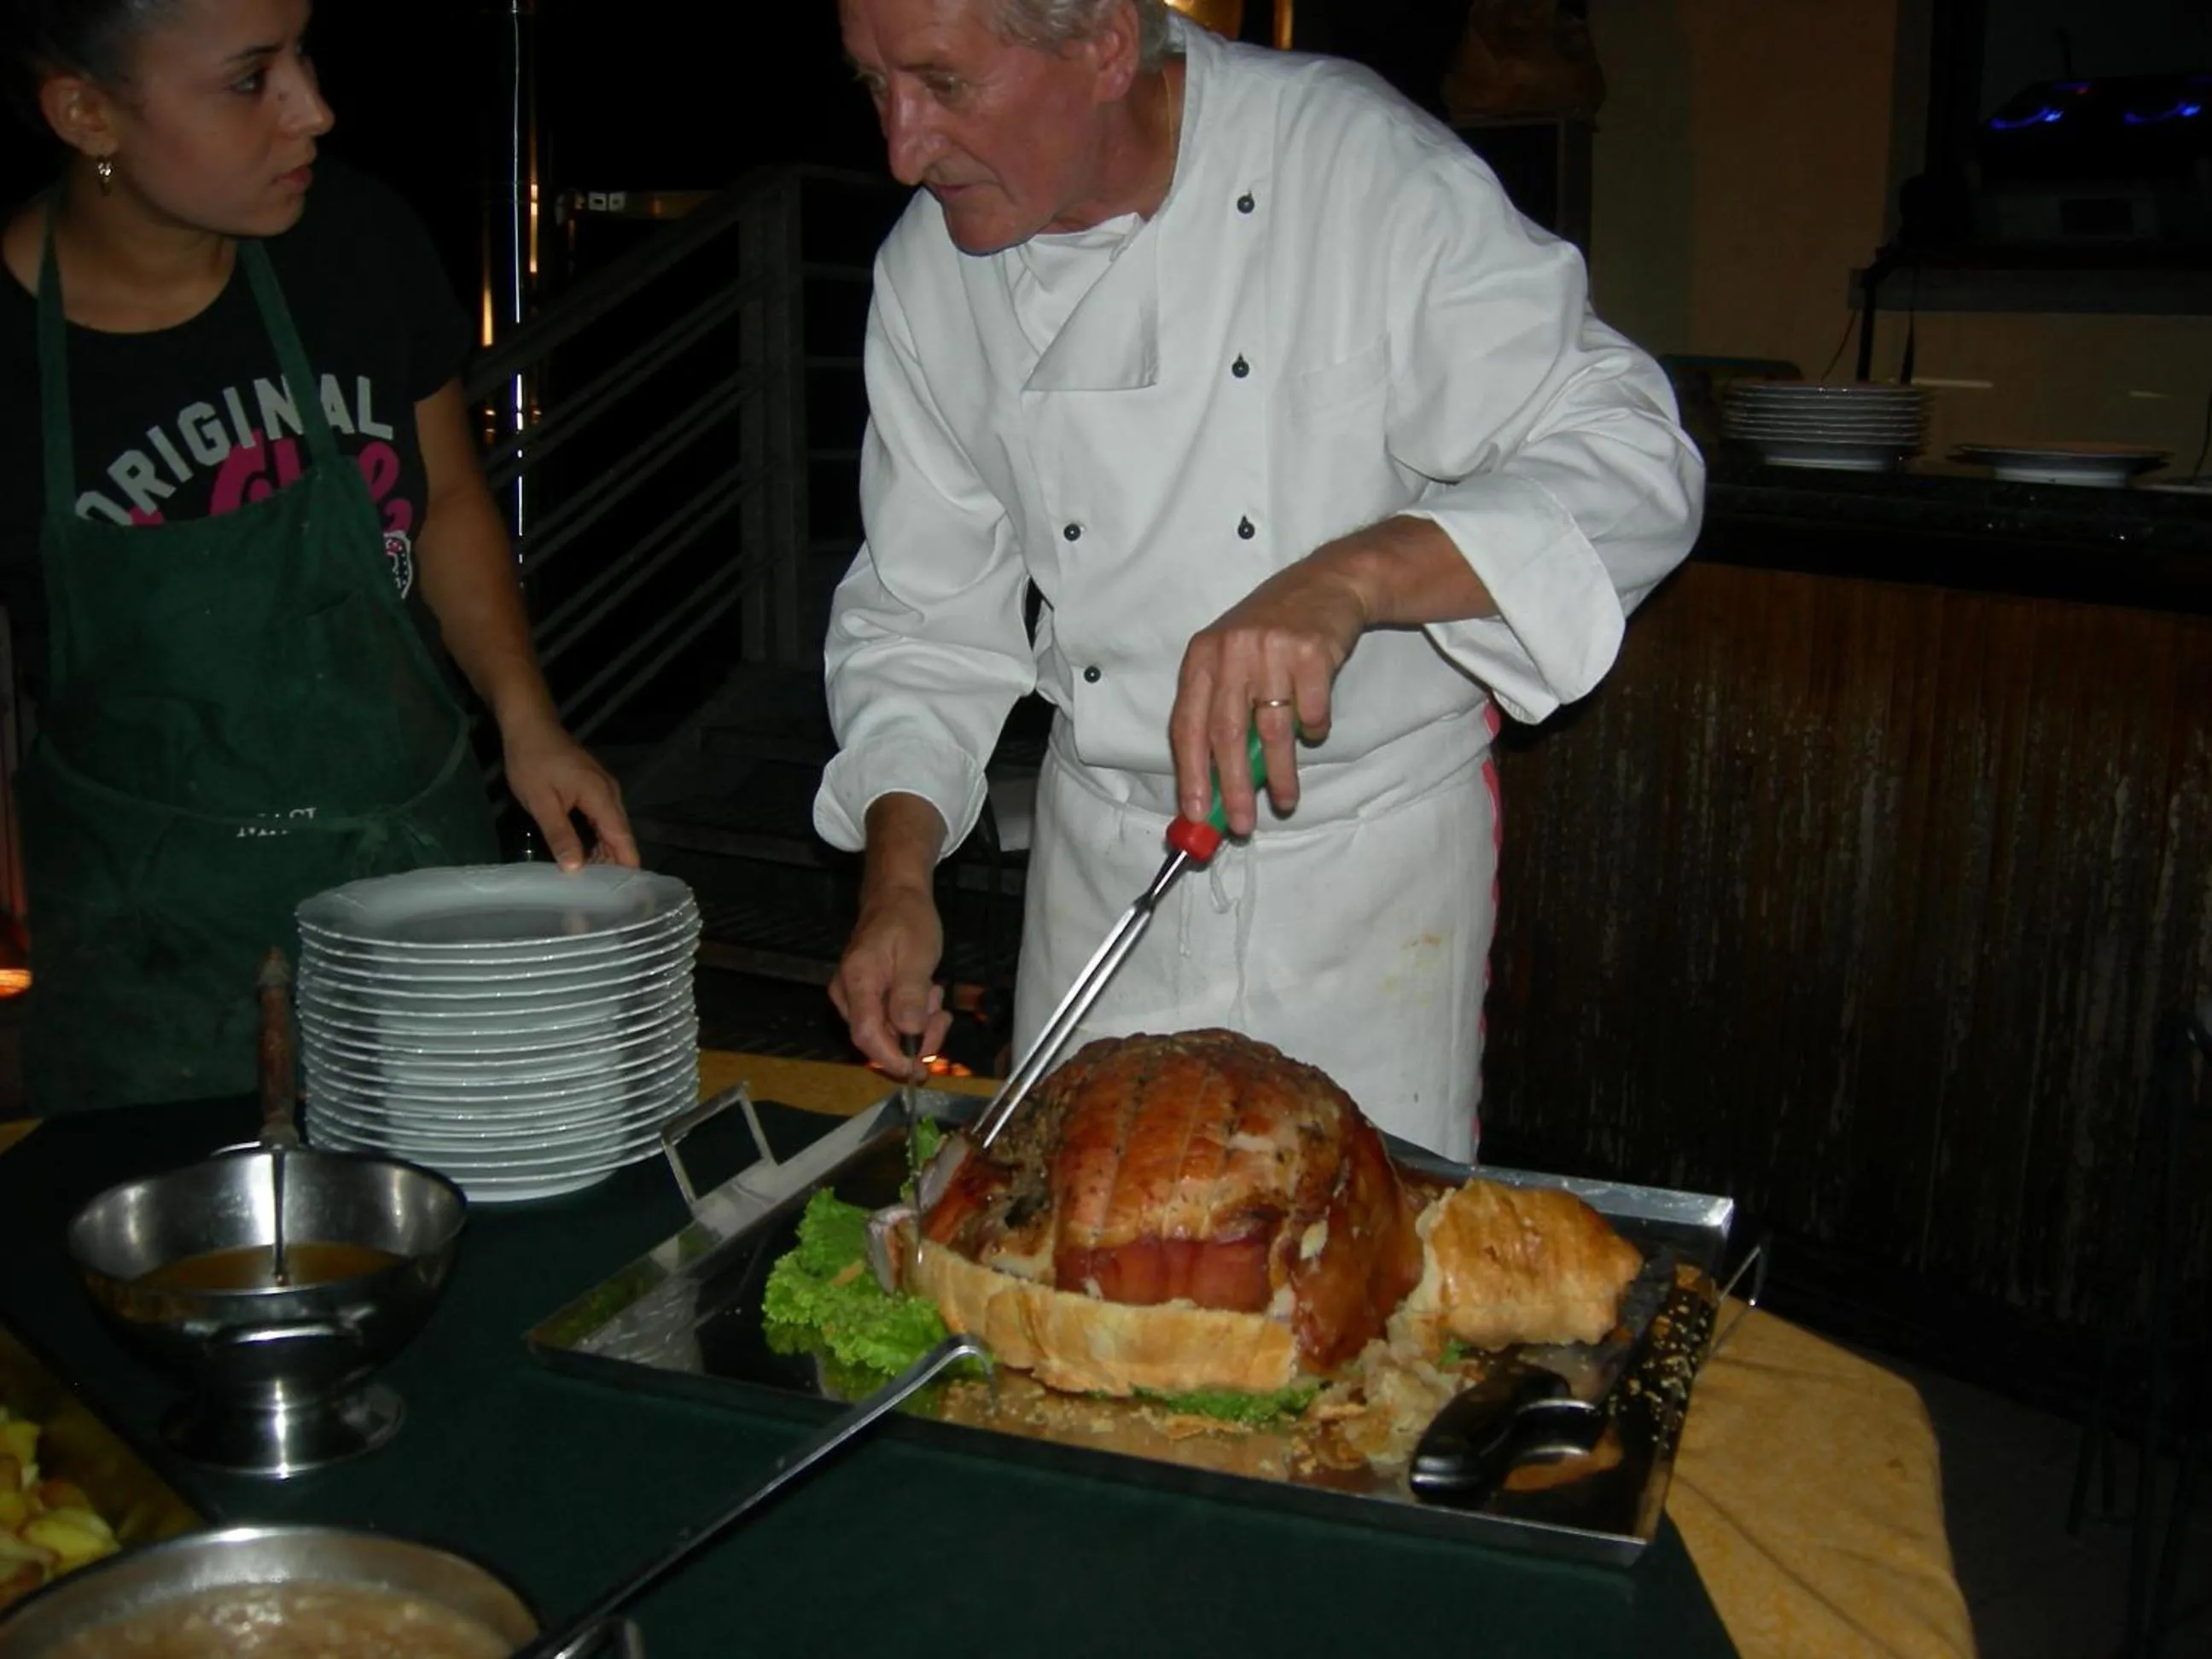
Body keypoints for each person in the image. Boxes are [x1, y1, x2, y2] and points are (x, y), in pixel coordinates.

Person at [817, 0, 1702, 1160]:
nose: (901, 145)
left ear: (1103, 47)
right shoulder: (930, 275)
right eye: (874, 85)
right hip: (1105, 879)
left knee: (1343, 1294)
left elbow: (1637, 461)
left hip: (1360, 891)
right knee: (1074, 1271)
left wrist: (1353, 578)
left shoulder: (1349, 170)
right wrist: (898, 884)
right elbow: (923, 623)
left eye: (941, 83)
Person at [0, 0, 637, 1113]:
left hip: (408, 873)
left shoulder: (357, 241)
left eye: (303, 52)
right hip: (144, 949)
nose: (315, 108)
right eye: (252, 78)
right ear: (87, 113)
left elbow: (440, 501)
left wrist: (526, 717)